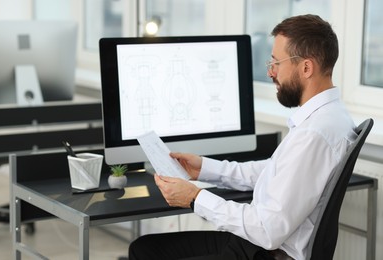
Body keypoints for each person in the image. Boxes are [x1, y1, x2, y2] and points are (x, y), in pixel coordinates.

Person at [128, 14, 356, 260]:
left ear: (306, 67)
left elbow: (268, 229)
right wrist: (204, 168)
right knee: (145, 249)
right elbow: (274, 172)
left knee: (146, 253)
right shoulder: (330, 116)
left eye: (276, 63)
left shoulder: (315, 134)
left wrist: (195, 198)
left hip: (267, 251)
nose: (271, 73)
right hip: (258, 245)